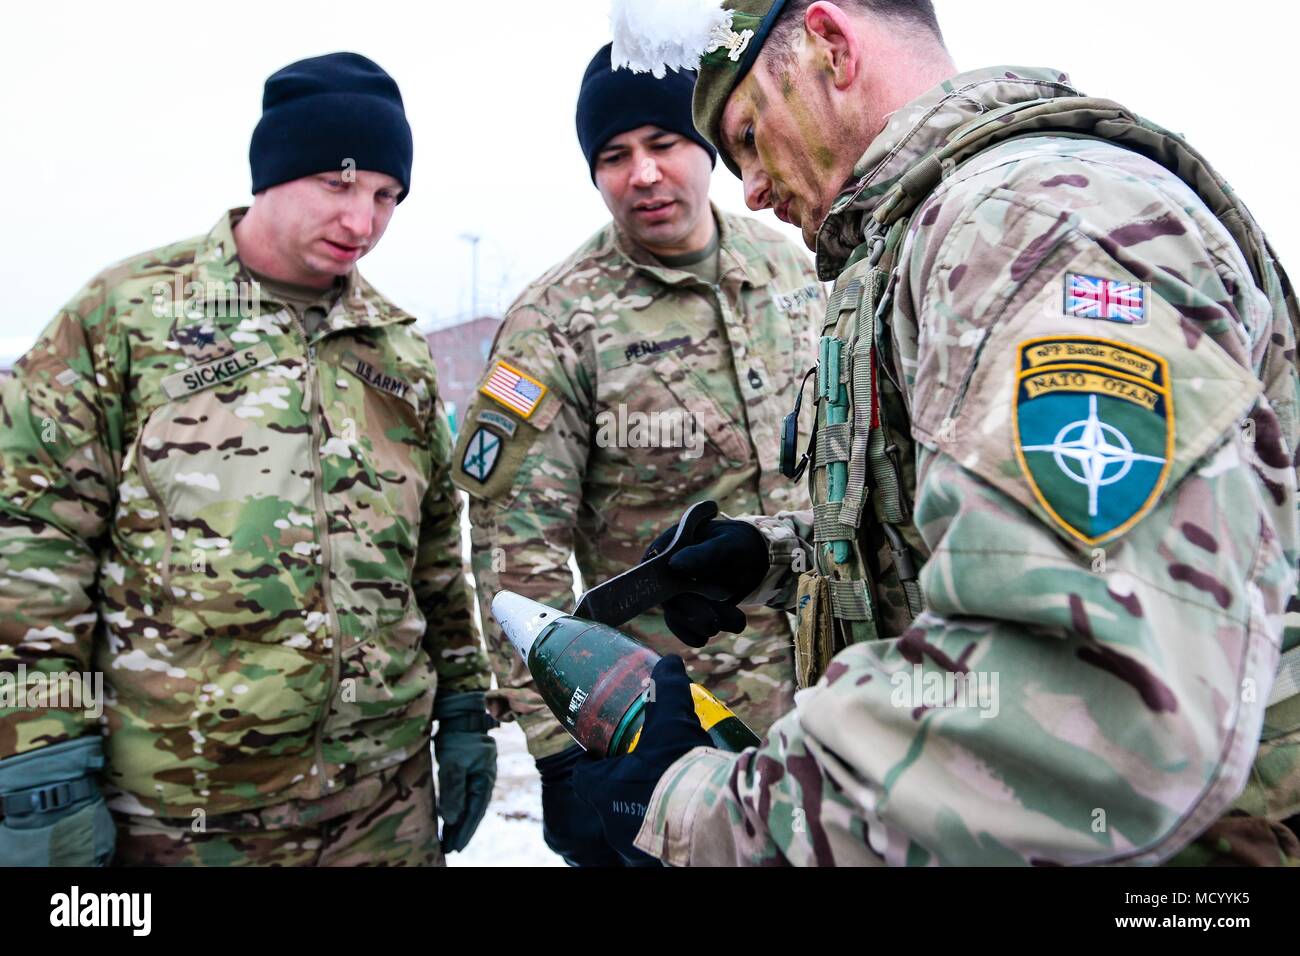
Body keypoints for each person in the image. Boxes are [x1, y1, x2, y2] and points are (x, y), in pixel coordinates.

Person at [573, 0, 1300, 866]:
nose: (755, 192)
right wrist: (777, 556)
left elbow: (1095, 705)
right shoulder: (930, 237)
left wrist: (703, 815)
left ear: (833, 47)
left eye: (749, 139)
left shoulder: (1031, 227)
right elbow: (982, 532)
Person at [0, 52, 495, 866]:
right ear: (272, 171)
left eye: (385, 196)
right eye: (339, 185)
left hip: (382, 806)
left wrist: (468, 706)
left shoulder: (395, 350)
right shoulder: (126, 317)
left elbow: (436, 554)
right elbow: (32, 542)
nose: (363, 222)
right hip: (180, 812)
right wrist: (41, 760)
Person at [451, 43, 823, 865]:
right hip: (667, 741)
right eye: (614, 157)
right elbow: (518, 549)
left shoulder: (792, 269)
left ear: (709, 147)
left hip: (827, 710)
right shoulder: (556, 322)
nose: (643, 174)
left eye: (662, 144)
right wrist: (562, 753)